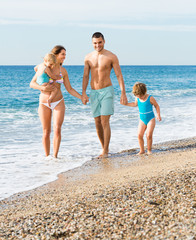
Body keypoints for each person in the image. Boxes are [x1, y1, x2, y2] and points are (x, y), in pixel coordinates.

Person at [30, 45, 82, 158]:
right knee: (46, 131)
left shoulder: (63, 71)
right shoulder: (44, 67)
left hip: (58, 102)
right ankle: (47, 157)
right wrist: (43, 88)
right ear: (56, 55)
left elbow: (70, 89)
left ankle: (55, 157)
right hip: (43, 103)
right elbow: (32, 83)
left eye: (65, 54)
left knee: (57, 129)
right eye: (63, 54)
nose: (64, 57)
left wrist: (81, 97)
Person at [82, 32, 128, 158]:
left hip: (107, 90)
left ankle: (106, 151)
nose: (97, 45)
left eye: (100, 42)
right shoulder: (88, 57)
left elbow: (119, 75)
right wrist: (83, 93)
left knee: (104, 121)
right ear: (92, 43)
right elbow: (86, 76)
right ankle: (103, 148)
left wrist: (123, 92)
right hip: (93, 92)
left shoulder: (111, 56)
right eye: (95, 43)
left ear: (104, 41)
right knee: (97, 121)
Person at [122, 82, 161, 155]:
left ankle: (149, 150)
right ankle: (142, 150)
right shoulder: (137, 98)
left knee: (148, 135)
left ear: (145, 92)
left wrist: (158, 114)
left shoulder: (150, 98)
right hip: (142, 119)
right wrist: (126, 104)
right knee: (139, 135)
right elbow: (135, 104)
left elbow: (156, 106)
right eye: (139, 96)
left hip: (151, 119)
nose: (141, 98)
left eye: (142, 96)